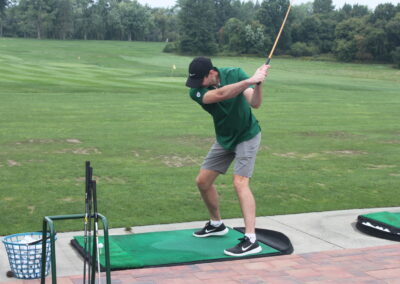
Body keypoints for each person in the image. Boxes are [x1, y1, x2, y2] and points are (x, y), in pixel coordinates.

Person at [185, 57, 269, 256]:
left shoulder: (235, 73)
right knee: (202, 182)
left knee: (240, 182)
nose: (196, 85)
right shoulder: (197, 92)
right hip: (225, 139)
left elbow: (255, 104)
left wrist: (258, 84)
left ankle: (251, 239)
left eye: (200, 80)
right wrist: (249, 80)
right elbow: (222, 94)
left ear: (211, 73)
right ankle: (216, 224)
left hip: (247, 136)